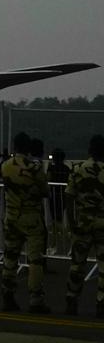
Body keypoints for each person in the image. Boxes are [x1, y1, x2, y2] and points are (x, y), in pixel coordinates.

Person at [0, 131, 48, 314]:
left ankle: (8, 295)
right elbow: (44, 191)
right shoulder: (34, 167)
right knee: (35, 260)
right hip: (31, 217)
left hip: (11, 216)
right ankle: (36, 299)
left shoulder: (5, 166)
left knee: (10, 256)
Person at [65, 136, 104, 317]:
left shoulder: (78, 169)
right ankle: (101, 304)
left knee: (77, 264)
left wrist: (72, 221)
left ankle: (72, 300)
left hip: (83, 222)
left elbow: (69, 195)